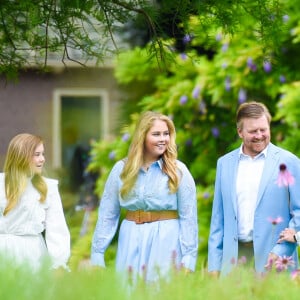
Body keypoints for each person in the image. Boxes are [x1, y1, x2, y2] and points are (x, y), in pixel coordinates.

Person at [90, 111, 198, 283]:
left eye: (166, 134)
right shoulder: (121, 170)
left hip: (166, 239)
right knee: (128, 288)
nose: (163, 139)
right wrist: (97, 252)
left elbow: (188, 217)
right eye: (156, 134)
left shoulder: (178, 171)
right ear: (142, 136)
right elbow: (108, 214)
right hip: (131, 237)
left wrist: (189, 257)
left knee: (160, 290)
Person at [208, 101, 300, 277]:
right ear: (240, 132)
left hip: (275, 261)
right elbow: (218, 220)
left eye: (263, 129)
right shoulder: (224, 164)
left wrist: (280, 251)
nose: (259, 135)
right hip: (234, 262)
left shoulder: (289, 162)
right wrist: (214, 265)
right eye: (253, 131)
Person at [0, 133, 70, 271]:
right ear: (21, 156)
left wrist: (58, 264)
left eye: (43, 154)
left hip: (33, 254)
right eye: (37, 154)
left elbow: (57, 229)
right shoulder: (1, 184)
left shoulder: (47, 187)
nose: (42, 159)